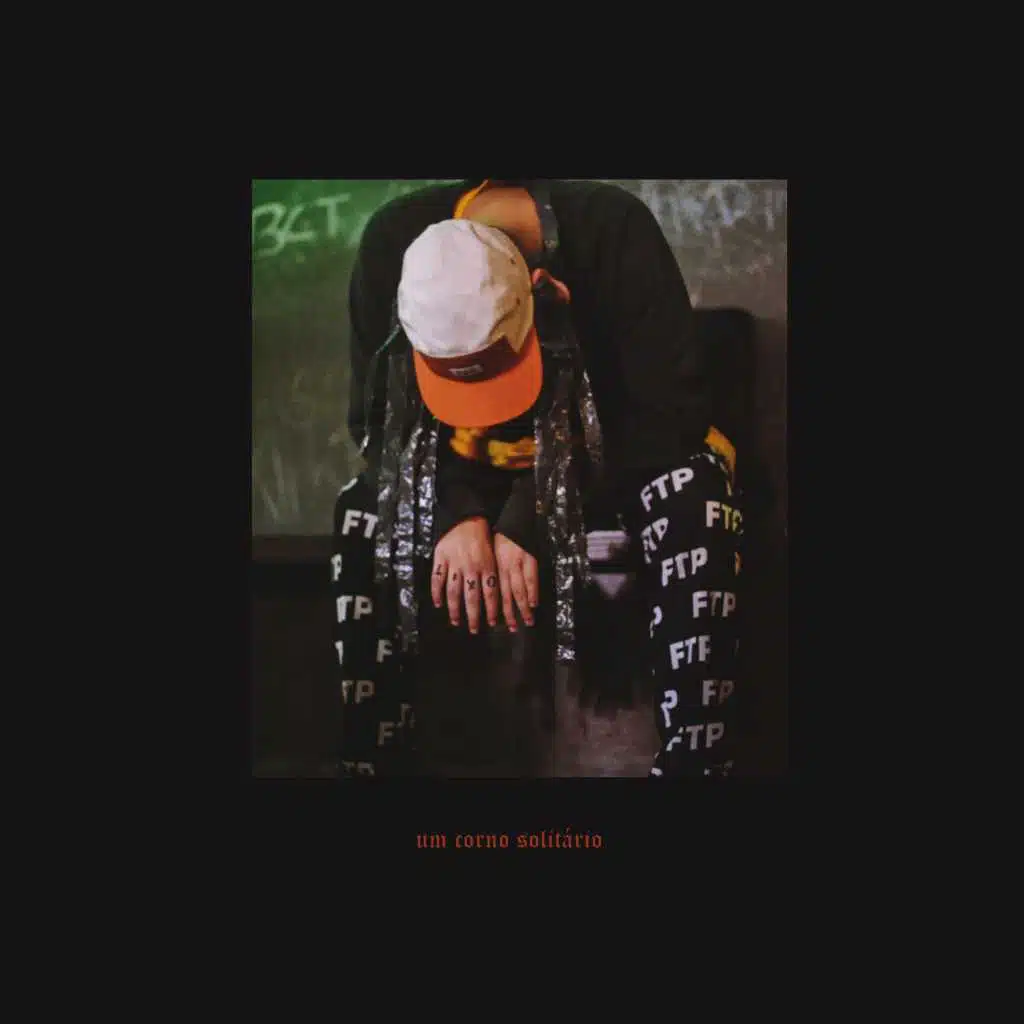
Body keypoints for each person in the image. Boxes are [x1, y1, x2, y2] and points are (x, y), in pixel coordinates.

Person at [332, 179, 742, 778]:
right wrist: (456, 514)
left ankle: (694, 770)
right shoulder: (386, 246)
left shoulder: (615, 232)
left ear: (545, 290)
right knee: (362, 510)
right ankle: (374, 769)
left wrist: (534, 513)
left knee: (695, 495)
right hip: (462, 475)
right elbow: (373, 428)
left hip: (609, 463)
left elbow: (669, 416)